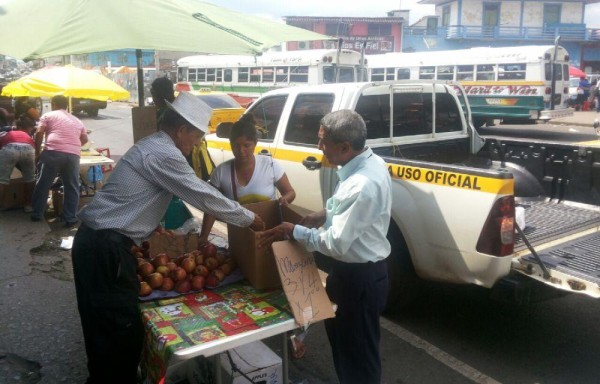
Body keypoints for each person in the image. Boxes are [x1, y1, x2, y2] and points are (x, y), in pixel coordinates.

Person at [71, 92, 265, 384]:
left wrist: (151, 228)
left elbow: (139, 197)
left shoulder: (154, 146)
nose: (197, 143)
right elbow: (202, 194)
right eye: (197, 136)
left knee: (105, 333)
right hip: (105, 249)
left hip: (100, 244)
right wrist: (250, 218)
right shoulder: (164, 153)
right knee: (117, 335)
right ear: (182, 129)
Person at [258, 109, 392, 384]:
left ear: (344, 147)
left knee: (359, 363)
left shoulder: (362, 183)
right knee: (347, 353)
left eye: (323, 142)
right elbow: (344, 208)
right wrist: (323, 214)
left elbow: (336, 243)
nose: (318, 148)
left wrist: (294, 231)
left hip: (359, 281)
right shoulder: (367, 163)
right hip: (351, 277)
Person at [199, 114, 295, 242]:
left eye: (246, 145)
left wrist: (284, 200)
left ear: (255, 143)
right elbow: (211, 205)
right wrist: (204, 237)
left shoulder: (270, 165)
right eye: (236, 146)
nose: (241, 151)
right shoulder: (221, 172)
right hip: (239, 237)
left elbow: (290, 192)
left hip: (269, 233)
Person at [31, 95, 88, 226]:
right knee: (72, 187)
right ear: (66, 106)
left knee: (43, 184)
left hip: (53, 152)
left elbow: (39, 133)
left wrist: (37, 153)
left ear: (54, 104)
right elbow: (84, 139)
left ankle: (37, 214)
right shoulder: (77, 120)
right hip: (73, 156)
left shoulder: (48, 115)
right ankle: (70, 218)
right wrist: (72, 146)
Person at [0, 115, 37, 212]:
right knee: (30, 178)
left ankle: (1, 204)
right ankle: (28, 205)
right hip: (28, 148)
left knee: (2, 180)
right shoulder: (28, 135)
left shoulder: (5, 133)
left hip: (9, 148)